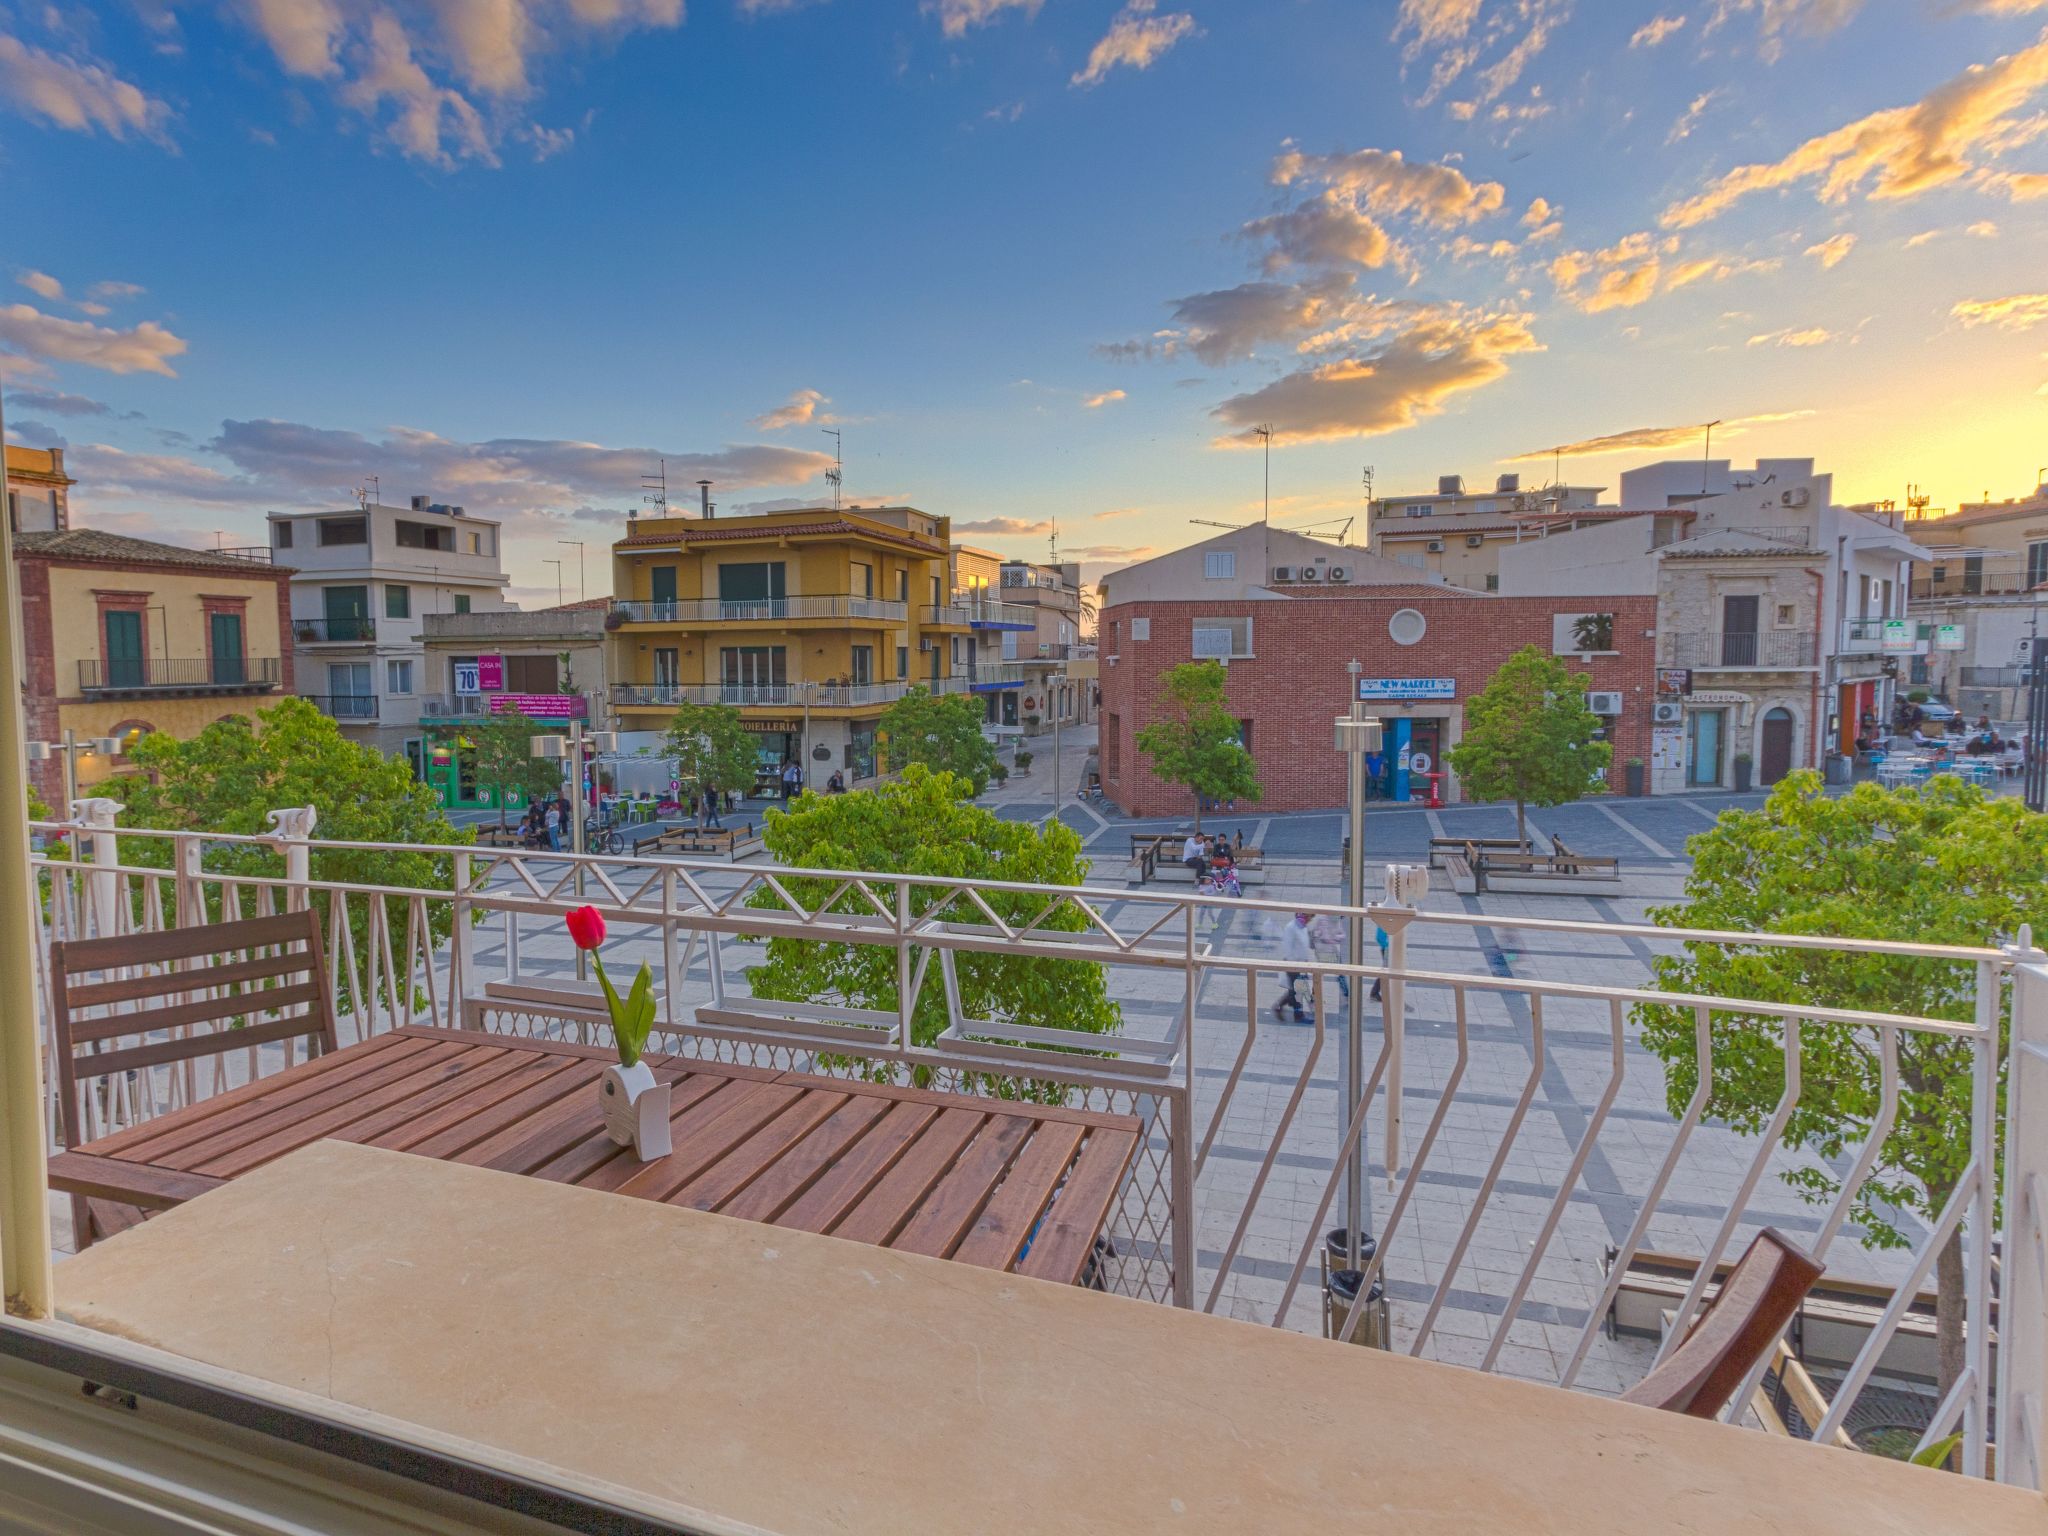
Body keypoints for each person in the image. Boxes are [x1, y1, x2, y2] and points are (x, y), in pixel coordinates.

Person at [1273, 911, 1315, 1024]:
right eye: (1310, 916)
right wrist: (1293, 962)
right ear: (1304, 915)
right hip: (1293, 965)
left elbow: (1304, 945)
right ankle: (1298, 1015)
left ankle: (1279, 1006)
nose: (1311, 919)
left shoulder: (1303, 927)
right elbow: (1287, 947)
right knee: (1298, 990)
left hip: (1302, 964)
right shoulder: (1291, 927)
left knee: (1296, 990)